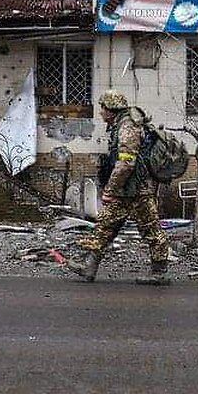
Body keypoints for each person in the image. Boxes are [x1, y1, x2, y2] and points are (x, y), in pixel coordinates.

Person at [65, 89, 172, 285]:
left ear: (111, 109)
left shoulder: (127, 128)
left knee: (151, 230)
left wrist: (110, 190)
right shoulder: (120, 125)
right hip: (125, 191)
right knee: (105, 226)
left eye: (103, 108)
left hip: (138, 191)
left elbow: (126, 163)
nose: (100, 112)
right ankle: (89, 267)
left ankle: (159, 273)